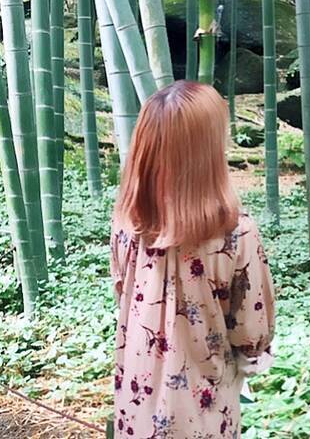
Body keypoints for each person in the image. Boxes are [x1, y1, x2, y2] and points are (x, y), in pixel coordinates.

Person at [110, 80, 275, 438]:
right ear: (207, 154)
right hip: (205, 414)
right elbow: (251, 334)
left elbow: (122, 294)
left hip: (137, 406)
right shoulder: (235, 233)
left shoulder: (127, 225)